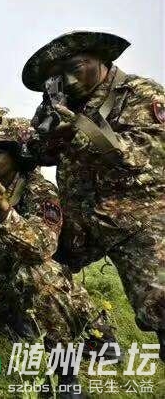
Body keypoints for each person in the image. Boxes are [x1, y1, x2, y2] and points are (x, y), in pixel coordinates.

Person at [0, 120, 110, 393]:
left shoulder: (38, 190)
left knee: (41, 275)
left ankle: (69, 371)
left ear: (17, 157)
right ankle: (15, 320)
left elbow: (42, 246)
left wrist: (4, 213)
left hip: (28, 277)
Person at [24, 30, 165, 359]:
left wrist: (79, 130)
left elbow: (142, 156)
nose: (70, 81)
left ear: (102, 59)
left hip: (138, 222)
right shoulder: (58, 104)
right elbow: (36, 154)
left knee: (160, 303)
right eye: (60, 76)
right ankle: (92, 343)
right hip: (82, 220)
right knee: (37, 266)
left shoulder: (139, 93)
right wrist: (49, 135)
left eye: (77, 68)